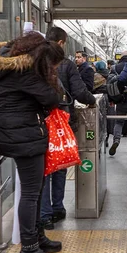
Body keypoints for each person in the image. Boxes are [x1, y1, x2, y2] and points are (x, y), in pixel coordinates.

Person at [0, 31, 64, 253]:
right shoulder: (24, 72)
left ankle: (37, 239)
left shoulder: (7, 68)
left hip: (16, 133)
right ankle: (29, 251)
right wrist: (50, 76)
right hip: (24, 135)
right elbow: (51, 98)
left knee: (34, 190)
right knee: (30, 193)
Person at [41, 27, 95, 229]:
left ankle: (44, 215)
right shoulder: (67, 65)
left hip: (41, 121)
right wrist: (92, 101)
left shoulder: (36, 62)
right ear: (62, 43)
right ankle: (57, 208)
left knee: (45, 166)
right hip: (62, 121)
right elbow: (80, 92)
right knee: (60, 162)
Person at [109, 51, 127, 156]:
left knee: (119, 122)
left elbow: (109, 84)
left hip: (120, 99)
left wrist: (112, 99)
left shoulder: (115, 68)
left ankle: (116, 140)